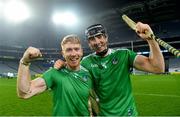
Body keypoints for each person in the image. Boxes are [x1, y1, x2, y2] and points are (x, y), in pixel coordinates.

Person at [54, 22, 165, 116]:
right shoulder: (86, 63)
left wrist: (151, 39)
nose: (97, 42)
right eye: (92, 39)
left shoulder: (124, 55)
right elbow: (72, 81)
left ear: (106, 37)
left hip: (128, 114)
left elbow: (158, 68)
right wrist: (63, 64)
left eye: (99, 36)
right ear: (89, 43)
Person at [17, 34, 95, 116]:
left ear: (81, 51)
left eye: (76, 49)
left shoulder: (87, 73)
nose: (73, 54)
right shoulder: (54, 73)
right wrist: (25, 62)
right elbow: (25, 93)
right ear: (63, 53)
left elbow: (88, 99)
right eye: (68, 50)